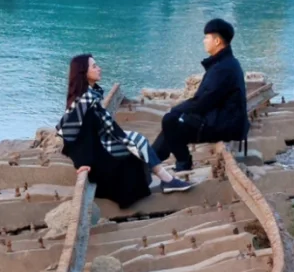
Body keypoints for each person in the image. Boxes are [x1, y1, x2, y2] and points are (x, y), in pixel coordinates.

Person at [57, 54, 193, 207]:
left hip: (99, 148)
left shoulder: (90, 96)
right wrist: (82, 163)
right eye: (94, 66)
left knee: (136, 139)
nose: (99, 68)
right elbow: (75, 136)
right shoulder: (84, 102)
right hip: (98, 161)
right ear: (83, 72)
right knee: (135, 143)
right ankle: (167, 180)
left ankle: (166, 179)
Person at [152, 17, 248, 173]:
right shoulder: (225, 63)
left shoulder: (222, 68)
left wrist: (177, 110)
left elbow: (202, 102)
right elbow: (204, 101)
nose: (204, 41)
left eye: (206, 37)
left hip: (225, 126)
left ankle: (181, 162)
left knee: (171, 120)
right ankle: (153, 158)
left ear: (217, 41)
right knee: (173, 122)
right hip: (223, 120)